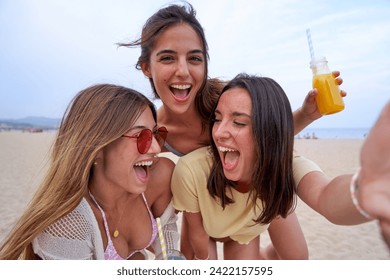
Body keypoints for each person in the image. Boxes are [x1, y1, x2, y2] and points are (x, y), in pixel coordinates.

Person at [118, 2, 346, 259]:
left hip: (255, 193)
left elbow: (269, 133)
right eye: (168, 58)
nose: (182, 71)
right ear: (147, 67)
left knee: (296, 257)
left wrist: (306, 114)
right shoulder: (153, 132)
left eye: (194, 58)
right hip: (208, 206)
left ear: (205, 64)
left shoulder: (224, 100)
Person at [172, 73, 390, 260]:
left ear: (268, 132)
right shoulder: (193, 169)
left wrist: (372, 186)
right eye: (217, 120)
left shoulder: (283, 162)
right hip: (206, 225)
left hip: (247, 228)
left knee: (297, 258)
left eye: (238, 122)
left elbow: (325, 195)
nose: (218, 133)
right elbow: (198, 241)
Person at [0, 84, 178, 260]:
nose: (156, 147)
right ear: (97, 147)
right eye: (141, 136)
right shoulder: (68, 225)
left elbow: (166, 243)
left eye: (156, 134)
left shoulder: (159, 177)